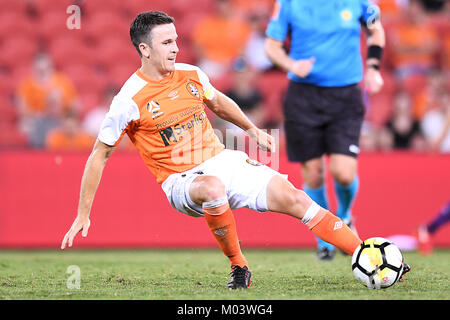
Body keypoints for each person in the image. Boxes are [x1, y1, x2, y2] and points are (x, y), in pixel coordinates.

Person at [60, 11, 409, 289]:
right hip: (181, 180)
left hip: (222, 159)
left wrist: (252, 130)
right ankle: (239, 266)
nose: (175, 48)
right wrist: (82, 213)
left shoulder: (191, 74)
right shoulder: (127, 101)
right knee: (212, 187)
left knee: (295, 197)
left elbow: (218, 102)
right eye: (166, 42)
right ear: (144, 49)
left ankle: (369, 256)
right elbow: (99, 155)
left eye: (176, 40)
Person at [264, 0, 386, 260]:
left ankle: (344, 216)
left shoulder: (360, 3)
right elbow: (271, 47)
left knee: (343, 173)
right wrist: (291, 65)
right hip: (303, 96)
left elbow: (376, 30)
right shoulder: (288, 3)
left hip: (346, 95)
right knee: (314, 173)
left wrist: (374, 68)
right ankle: (324, 240)